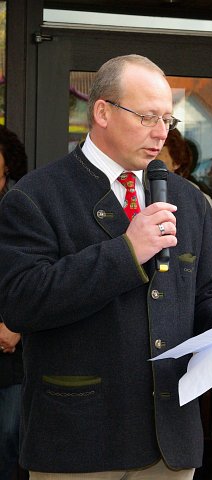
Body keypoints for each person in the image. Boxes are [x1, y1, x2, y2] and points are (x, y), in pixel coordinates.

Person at [0, 54, 212, 479]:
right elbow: (21, 303)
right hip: (79, 439)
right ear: (102, 112)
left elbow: (210, 288)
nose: (161, 132)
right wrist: (127, 252)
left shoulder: (187, 199)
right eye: (147, 117)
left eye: (167, 119)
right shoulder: (36, 195)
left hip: (169, 439)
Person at [0, 125, 28, 480]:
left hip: (12, 355)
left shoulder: (21, 208)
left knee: (9, 437)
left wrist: (16, 325)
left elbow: (38, 275)